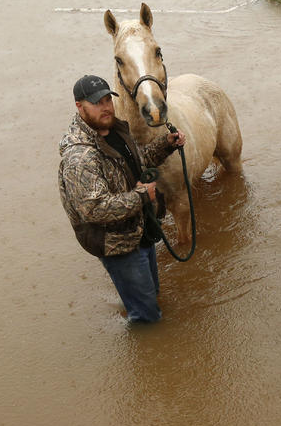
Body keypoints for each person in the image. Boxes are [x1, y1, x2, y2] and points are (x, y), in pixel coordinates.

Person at [58, 74, 186, 323]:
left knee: (150, 294)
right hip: (118, 243)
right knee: (146, 316)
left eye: (108, 100)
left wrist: (166, 144)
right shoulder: (80, 156)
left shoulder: (115, 129)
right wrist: (142, 196)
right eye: (97, 103)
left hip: (139, 229)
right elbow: (93, 210)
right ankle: (146, 347)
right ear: (79, 106)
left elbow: (138, 161)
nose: (105, 107)